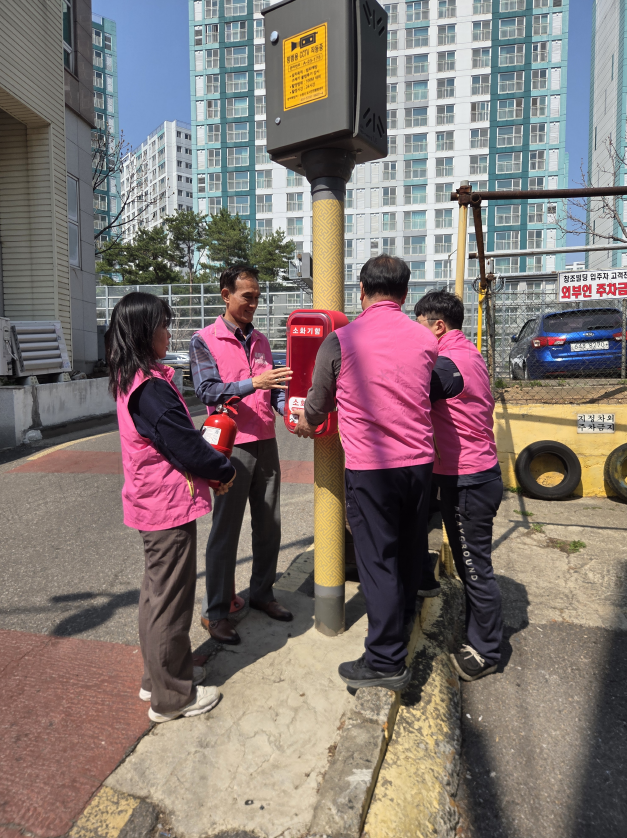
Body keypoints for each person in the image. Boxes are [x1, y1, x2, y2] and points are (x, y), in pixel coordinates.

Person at [295, 255, 438, 691]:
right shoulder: (425, 339)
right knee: (411, 549)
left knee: (376, 562)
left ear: (360, 290)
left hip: (373, 470)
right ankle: (405, 621)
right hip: (420, 465)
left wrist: (305, 423)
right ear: (405, 294)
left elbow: (317, 404)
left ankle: (384, 661)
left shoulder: (341, 341)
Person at [106, 292, 236, 723]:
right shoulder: (153, 389)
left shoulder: (133, 379)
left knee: (156, 597)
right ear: (145, 332)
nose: (168, 332)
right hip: (166, 507)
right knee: (171, 603)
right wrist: (222, 469)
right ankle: (173, 698)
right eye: (163, 324)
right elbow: (184, 445)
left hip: (151, 503)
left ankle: (158, 676)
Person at [190, 266, 293, 646]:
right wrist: (255, 383)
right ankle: (215, 612)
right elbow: (207, 390)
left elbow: (276, 390)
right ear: (225, 295)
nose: (253, 303)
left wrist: (289, 412)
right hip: (229, 448)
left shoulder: (263, 340)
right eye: (246, 296)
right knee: (225, 531)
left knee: (269, 526)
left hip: (266, 442)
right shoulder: (204, 340)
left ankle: (262, 593)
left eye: (257, 296)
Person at [414, 290, 503, 682]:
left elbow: (410, 389)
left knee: (474, 567)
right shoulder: (469, 353)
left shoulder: (449, 364)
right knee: (471, 565)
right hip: (468, 472)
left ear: (437, 325)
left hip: (468, 479)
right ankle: (477, 632)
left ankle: (487, 651)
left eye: (419, 325)